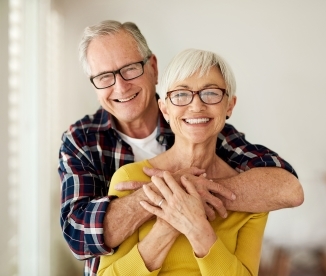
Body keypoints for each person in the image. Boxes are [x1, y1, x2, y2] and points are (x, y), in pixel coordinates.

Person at [58, 20, 303, 276]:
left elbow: (287, 188)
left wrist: (189, 193)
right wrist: (162, 197)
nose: (120, 86)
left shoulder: (205, 128)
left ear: (152, 67)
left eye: (130, 69)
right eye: (105, 77)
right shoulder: (82, 140)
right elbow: (78, 237)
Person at [97, 48, 269, 276]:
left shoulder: (250, 196)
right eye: (181, 95)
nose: (196, 106)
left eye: (210, 93)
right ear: (165, 109)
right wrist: (168, 224)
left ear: (229, 105)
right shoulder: (130, 179)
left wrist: (196, 227)